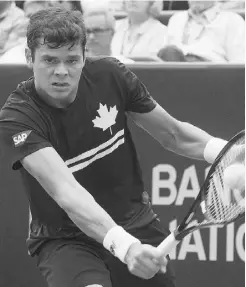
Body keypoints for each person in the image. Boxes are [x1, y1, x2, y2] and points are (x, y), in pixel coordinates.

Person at [0, 7, 229, 287]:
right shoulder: (17, 118)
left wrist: (228, 153)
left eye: (72, 60)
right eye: (49, 60)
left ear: (85, 56)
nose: (61, 72)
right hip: (66, 241)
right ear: (28, 58)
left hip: (134, 222)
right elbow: (68, 192)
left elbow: (174, 134)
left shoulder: (110, 75)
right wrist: (126, 247)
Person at [164, 0, 245, 62]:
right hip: (175, 70)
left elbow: (239, 62)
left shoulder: (232, 20)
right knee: (169, 52)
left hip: (213, 74)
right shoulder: (176, 19)